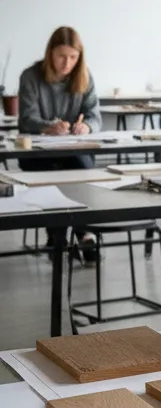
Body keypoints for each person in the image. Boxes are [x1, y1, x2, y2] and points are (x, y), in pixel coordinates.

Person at [18, 26, 101, 260]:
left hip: (72, 148)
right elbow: (26, 118)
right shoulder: (30, 76)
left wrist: (86, 126)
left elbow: (94, 115)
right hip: (37, 153)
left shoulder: (85, 76)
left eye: (73, 57)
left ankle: (69, 235)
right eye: (61, 56)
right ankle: (68, 235)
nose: (67, 63)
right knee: (50, 175)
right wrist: (47, 126)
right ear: (50, 54)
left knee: (82, 169)